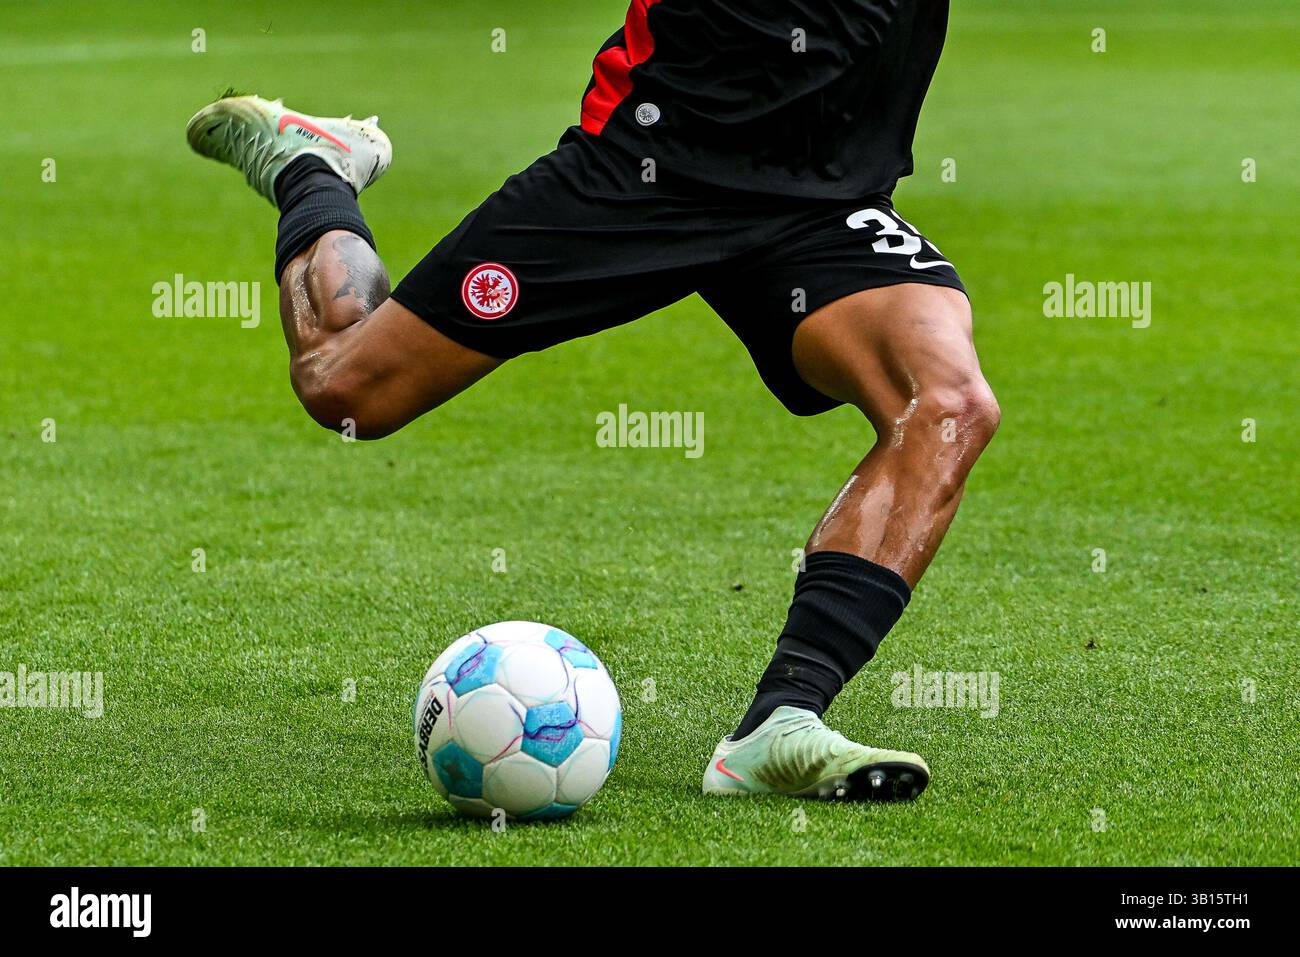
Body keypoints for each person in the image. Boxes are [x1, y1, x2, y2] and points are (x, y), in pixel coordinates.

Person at [187, 0, 999, 803]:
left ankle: (781, 721)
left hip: (824, 197)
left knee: (949, 403)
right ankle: (314, 172)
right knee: (343, 384)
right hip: (653, 164)